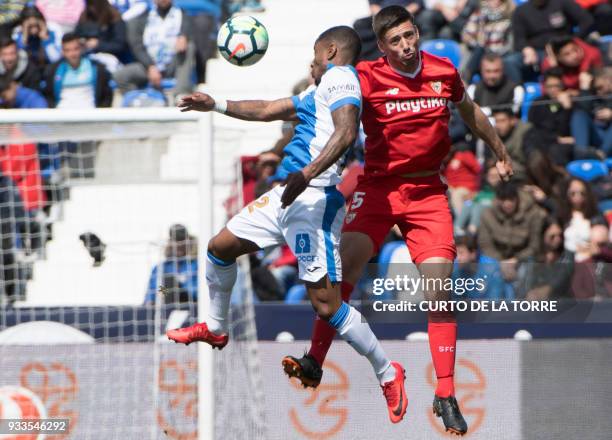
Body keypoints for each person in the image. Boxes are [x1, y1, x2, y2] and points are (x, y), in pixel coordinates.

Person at [283, 7, 513, 436]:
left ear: (418, 32)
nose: (407, 46)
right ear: (383, 46)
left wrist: (499, 150)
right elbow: (320, 104)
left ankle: (445, 393)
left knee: (440, 290)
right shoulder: (365, 77)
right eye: (396, 41)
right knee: (342, 277)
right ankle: (315, 359)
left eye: (410, 36)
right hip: (379, 188)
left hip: (427, 192)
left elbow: (471, 112)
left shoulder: (444, 71)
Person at [165, 26, 409, 424]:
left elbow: (347, 133)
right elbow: (266, 109)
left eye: (314, 56)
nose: (311, 65)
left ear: (329, 51)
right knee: (219, 248)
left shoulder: (340, 78)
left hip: (313, 201)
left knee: (327, 305)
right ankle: (215, 327)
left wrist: (308, 173)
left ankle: (387, 371)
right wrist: (217, 104)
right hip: (286, 196)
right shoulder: (319, 89)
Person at [477, 181, 545, 299]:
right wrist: (502, 263)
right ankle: (490, 306)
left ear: (517, 199)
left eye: (511, 199)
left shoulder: (533, 213)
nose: (507, 204)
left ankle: (517, 306)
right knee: (489, 267)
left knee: (525, 270)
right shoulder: (488, 213)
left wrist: (516, 260)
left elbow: (535, 245)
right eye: (503, 200)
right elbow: (485, 244)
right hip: (496, 257)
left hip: (522, 257)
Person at [114, 0, 193, 96]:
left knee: (189, 47)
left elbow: (190, 32)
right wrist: (150, 66)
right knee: (120, 76)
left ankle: (181, 94)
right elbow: (137, 47)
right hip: (149, 65)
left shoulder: (182, 15)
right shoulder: (142, 19)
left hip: (173, 64)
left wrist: (184, 36)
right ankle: (139, 100)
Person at [511, 0, 594, 81]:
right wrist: (526, 48)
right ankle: (517, 90)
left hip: (563, 47)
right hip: (538, 51)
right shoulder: (520, 11)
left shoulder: (562, 2)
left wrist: (573, 39)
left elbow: (587, 20)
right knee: (511, 62)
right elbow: (519, 39)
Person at [42, 32, 112, 108]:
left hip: (91, 114)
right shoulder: (53, 71)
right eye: (67, 50)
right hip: (62, 114)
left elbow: (106, 95)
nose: (72, 54)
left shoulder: (96, 68)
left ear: (81, 48)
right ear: (63, 52)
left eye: (76, 49)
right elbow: (48, 96)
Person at [516, 216, 574, 300]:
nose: (557, 239)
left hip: (561, 303)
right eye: (552, 236)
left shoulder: (568, 255)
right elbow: (525, 283)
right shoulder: (532, 257)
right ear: (543, 235)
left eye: (560, 235)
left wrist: (548, 289)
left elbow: (564, 276)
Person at [526, 68, 575, 165]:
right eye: (549, 86)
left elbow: (566, 130)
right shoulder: (537, 103)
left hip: (564, 146)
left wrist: (567, 109)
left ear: (562, 85)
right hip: (543, 142)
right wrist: (556, 139)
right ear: (544, 87)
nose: (553, 90)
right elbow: (533, 129)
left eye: (556, 86)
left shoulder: (571, 103)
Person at [462, 0, 517, 82]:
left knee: (508, 62)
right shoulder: (479, 13)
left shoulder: (510, 14)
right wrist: (476, 42)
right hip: (482, 52)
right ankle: (464, 81)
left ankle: (517, 88)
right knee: (478, 49)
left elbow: (512, 41)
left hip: (503, 53)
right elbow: (467, 35)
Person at [145, 224, 197, 303]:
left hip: (190, 306)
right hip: (166, 306)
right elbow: (152, 293)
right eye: (175, 241)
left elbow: (197, 291)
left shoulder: (197, 265)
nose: (179, 244)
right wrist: (167, 291)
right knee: (167, 284)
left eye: (181, 240)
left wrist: (179, 287)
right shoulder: (160, 268)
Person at [75, 0, 129, 73]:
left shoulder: (114, 17)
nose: (91, 8)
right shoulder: (85, 16)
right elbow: (76, 36)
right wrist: (81, 42)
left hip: (111, 59)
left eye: (93, 4)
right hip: (87, 57)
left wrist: (98, 44)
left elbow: (119, 45)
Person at [466, 53, 524, 118]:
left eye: (496, 71)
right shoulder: (473, 89)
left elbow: (513, 112)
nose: (492, 76)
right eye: (488, 71)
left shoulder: (516, 90)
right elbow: (467, 113)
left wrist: (488, 111)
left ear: (502, 70)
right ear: (481, 71)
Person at [571, 67, 612, 158]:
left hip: (609, 138)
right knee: (579, 114)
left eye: (600, 87)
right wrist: (585, 89)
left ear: (609, 81)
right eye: (595, 89)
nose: (598, 92)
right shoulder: (591, 95)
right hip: (595, 134)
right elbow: (581, 110)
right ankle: (581, 152)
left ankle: (601, 154)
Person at [558, 177, 600, 261]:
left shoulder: (595, 217)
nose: (578, 197)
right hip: (567, 261)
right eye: (573, 193)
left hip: (588, 260)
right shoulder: (561, 217)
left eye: (582, 193)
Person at [14, 6, 62, 71]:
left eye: (36, 25)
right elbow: (17, 62)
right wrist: (25, 36)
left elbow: (55, 59)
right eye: (30, 26)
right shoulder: (18, 34)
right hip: (28, 72)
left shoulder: (52, 32)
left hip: (48, 69)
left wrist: (45, 38)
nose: (34, 29)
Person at [492, 108, 530, 180]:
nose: (499, 125)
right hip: (501, 170)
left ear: (513, 120)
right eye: (497, 121)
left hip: (524, 170)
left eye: (503, 121)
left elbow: (529, 159)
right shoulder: (492, 134)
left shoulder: (526, 132)